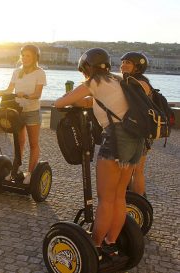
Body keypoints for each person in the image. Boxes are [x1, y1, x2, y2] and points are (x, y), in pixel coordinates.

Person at [54, 48, 144, 259]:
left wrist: (72, 98)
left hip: (115, 140)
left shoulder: (93, 83)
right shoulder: (118, 80)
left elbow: (59, 103)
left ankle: (93, 246)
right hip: (135, 140)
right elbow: (102, 103)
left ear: (87, 67)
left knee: (105, 199)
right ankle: (110, 241)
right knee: (119, 196)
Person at [0, 45, 46, 184]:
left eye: (28, 56)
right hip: (17, 111)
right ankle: (15, 171)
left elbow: (38, 94)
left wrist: (27, 95)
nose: (25, 58)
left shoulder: (40, 72)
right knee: (19, 142)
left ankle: (29, 174)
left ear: (35, 57)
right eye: (23, 55)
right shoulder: (17, 72)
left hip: (32, 112)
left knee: (33, 144)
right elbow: (9, 89)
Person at [120, 52, 152, 197]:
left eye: (128, 63)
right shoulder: (125, 81)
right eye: (123, 62)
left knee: (137, 169)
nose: (123, 65)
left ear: (138, 67)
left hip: (141, 132)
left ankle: (140, 204)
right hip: (128, 130)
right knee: (127, 169)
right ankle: (126, 202)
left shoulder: (142, 83)